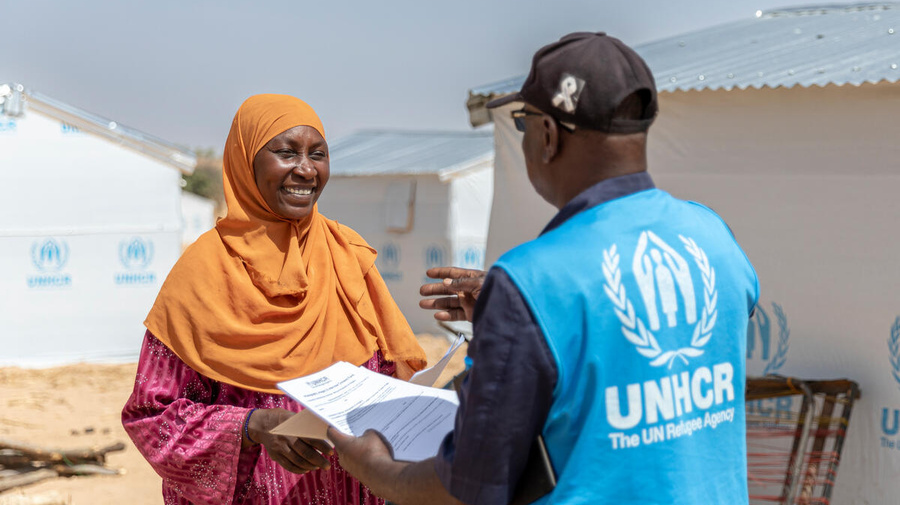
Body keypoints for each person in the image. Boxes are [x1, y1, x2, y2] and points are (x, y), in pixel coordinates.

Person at [328, 32, 759, 505]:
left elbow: (470, 486)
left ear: (548, 136)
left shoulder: (532, 280)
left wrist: (375, 466)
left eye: (523, 121)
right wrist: (517, 326)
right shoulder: (710, 233)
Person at [121, 94, 427, 505]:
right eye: (286, 153)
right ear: (247, 161)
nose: (305, 169)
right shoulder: (203, 272)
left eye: (318, 154)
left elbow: (391, 378)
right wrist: (252, 425)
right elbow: (151, 417)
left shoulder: (348, 255)